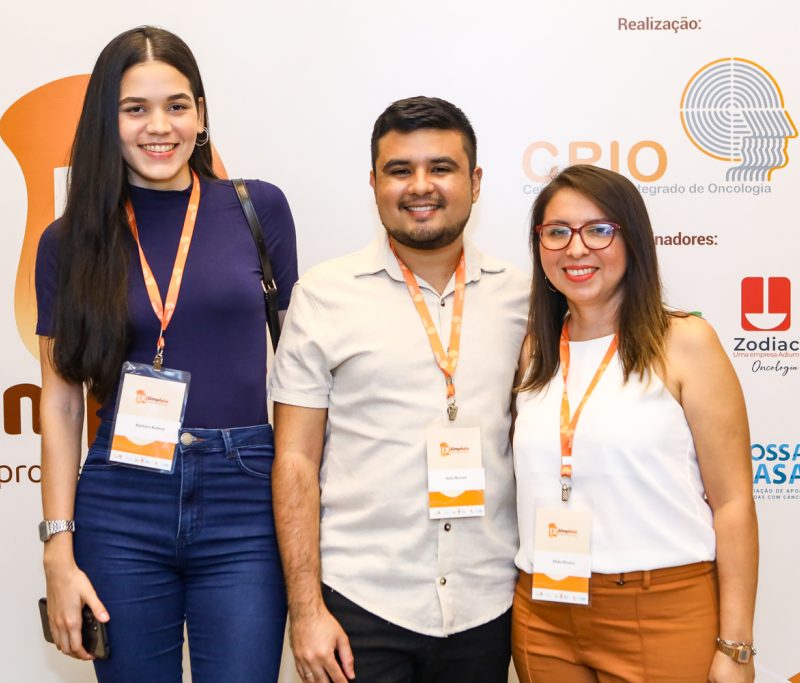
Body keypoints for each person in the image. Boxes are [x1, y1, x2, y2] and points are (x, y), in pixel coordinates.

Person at [35, 26, 297, 683]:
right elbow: (63, 402)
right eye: (136, 108)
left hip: (246, 497)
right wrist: (58, 550)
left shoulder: (256, 208)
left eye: (177, 105)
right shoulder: (68, 242)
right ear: (107, 120)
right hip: (120, 502)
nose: (160, 126)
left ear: (202, 116)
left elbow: (300, 378)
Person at [269, 96, 529, 683]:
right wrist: (306, 610)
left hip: (488, 605)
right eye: (399, 170)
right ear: (374, 182)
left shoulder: (525, 300)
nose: (421, 186)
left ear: (475, 181)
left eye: (441, 168)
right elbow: (295, 460)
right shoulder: (324, 295)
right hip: (360, 604)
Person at [511, 164, 758, 682]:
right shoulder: (534, 350)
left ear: (634, 239)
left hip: (661, 611)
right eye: (556, 232)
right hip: (545, 613)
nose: (575, 249)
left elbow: (733, 503)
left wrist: (736, 647)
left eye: (599, 229)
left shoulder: (685, 342)